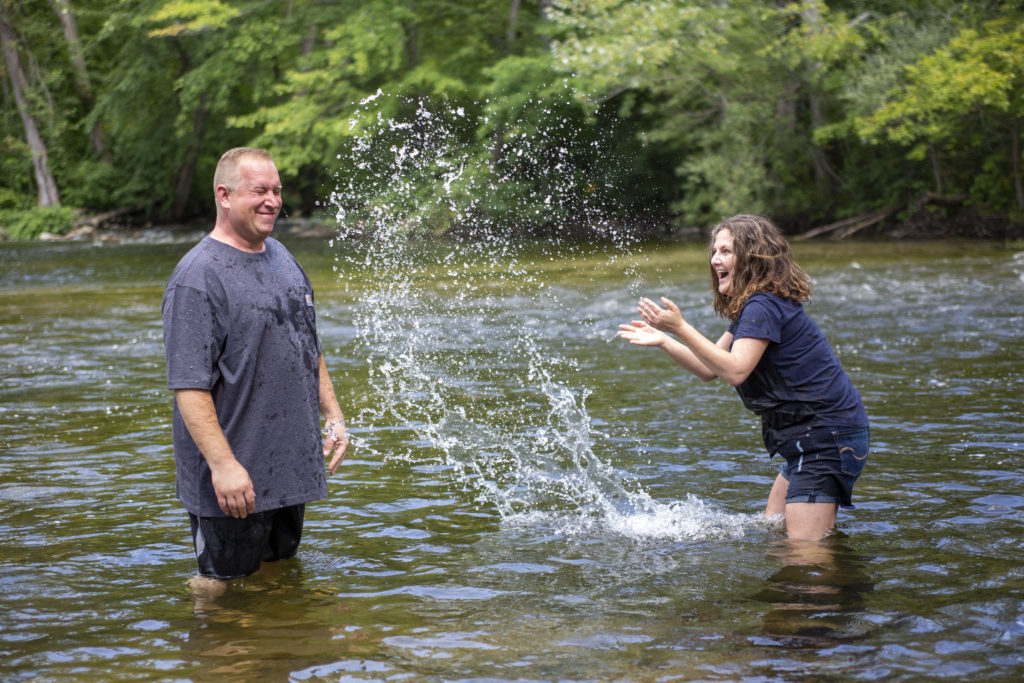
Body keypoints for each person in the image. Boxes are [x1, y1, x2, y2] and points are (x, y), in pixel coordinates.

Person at [617, 214, 869, 541]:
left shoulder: (762, 305)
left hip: (826, 439)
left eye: (726, 251)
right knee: (775, 532)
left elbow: (735, 370)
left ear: (751, 257)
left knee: (806, 559)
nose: (715, 260)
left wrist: (680, 327)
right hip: (812, 440)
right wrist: (666, 340)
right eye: (713, 251)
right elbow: (710, 368)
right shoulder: (753, 307)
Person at [162, 147, 349, 584]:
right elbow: (189, 387)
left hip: (288, 470)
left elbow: (308, 342)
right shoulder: (197, 277)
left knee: (278, 582)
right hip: (231, 482)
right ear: (224, 196)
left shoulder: (283, 257)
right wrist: (224, 467)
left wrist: (334, 415)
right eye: (259, 190)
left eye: (277, 190)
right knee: (220, 592)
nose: (273, 200)